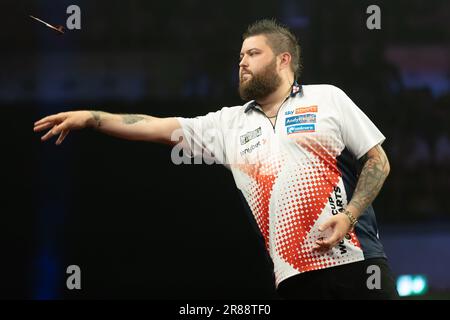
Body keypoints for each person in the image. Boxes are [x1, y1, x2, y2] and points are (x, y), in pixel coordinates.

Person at [34, 19, 398, 299]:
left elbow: (377, 161)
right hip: (292, 279)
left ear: (283, 59)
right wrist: (93, 118)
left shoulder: (328, 99)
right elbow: (155, 127)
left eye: (253, 54)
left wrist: (348, 215)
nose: (242, 62)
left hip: (357, 263)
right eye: (240, 55)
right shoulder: (227, 124)